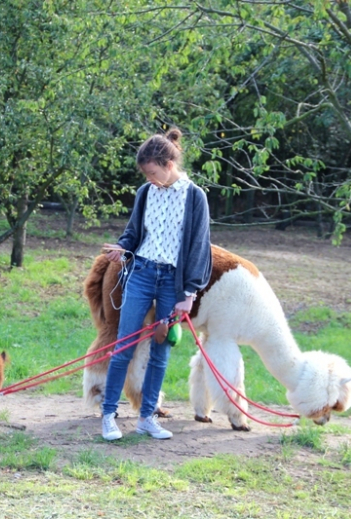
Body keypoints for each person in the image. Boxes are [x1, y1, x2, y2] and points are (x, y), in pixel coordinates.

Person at [100, 127, 212, 441]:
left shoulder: (194, 197)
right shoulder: (145, 192)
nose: (149, 178)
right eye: (145, 173)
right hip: (142, 274)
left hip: (172, 281)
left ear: (168, 164)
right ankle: (109, 415)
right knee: (123, 346)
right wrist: (122, 249)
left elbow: (199, 247)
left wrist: (189, 292)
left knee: (161, 351)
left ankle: (147, 417)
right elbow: (134, 233)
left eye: (152, 172)